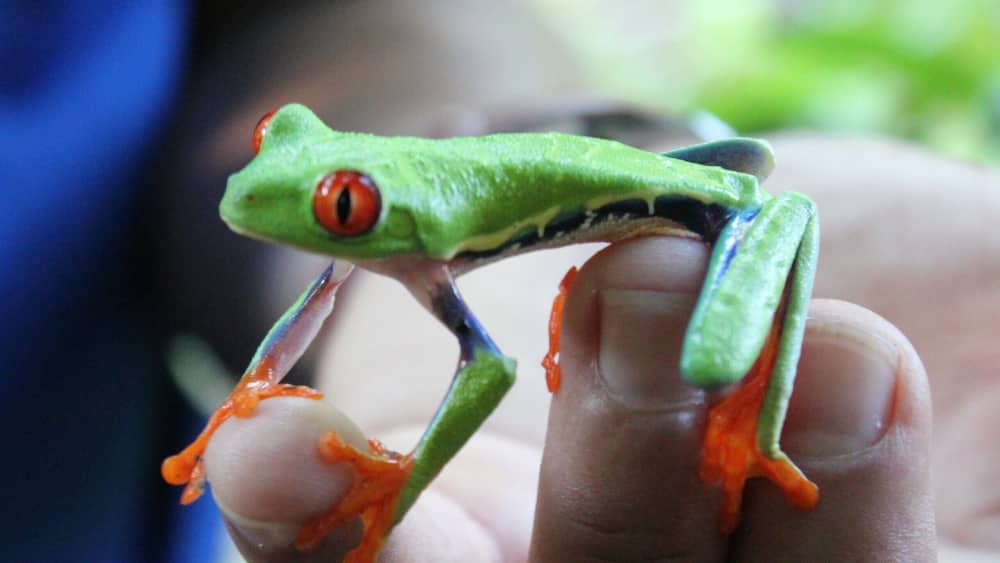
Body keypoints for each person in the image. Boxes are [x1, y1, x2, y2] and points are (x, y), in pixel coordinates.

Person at [155, 1, 1000, 561]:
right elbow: (325, 298)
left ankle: (762, 429)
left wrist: (401, 474)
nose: (264, 186)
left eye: (343, 201)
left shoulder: (420, 233)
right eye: (278, 139)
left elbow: (490, 365)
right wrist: (255, 390)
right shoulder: (386, 246)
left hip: (710, 215)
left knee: (706, 362)